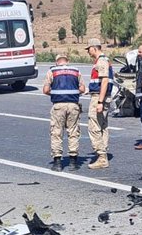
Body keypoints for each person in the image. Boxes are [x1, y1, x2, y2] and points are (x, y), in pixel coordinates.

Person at [42, 52, 85, 171]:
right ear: (67, 60)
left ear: (57, 61)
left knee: (56, 132)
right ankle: (73, 162)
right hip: (73, 106)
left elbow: (45, 90)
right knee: (73, 132)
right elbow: (82, 89)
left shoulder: (52, 71)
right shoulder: (76, 71)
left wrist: (55, 93)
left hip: (58, 106)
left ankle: (57, 163)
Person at [85, 38, 112, 169]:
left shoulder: (101, 61)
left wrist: (100, 101)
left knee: (94, 126)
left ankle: (102, 156)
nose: (88, 52)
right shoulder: (104, 60)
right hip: (99, 95)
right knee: (102, 125)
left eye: (89, 49)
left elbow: (105, 81)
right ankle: (103, 151)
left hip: (99, 98)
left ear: (94, 48)